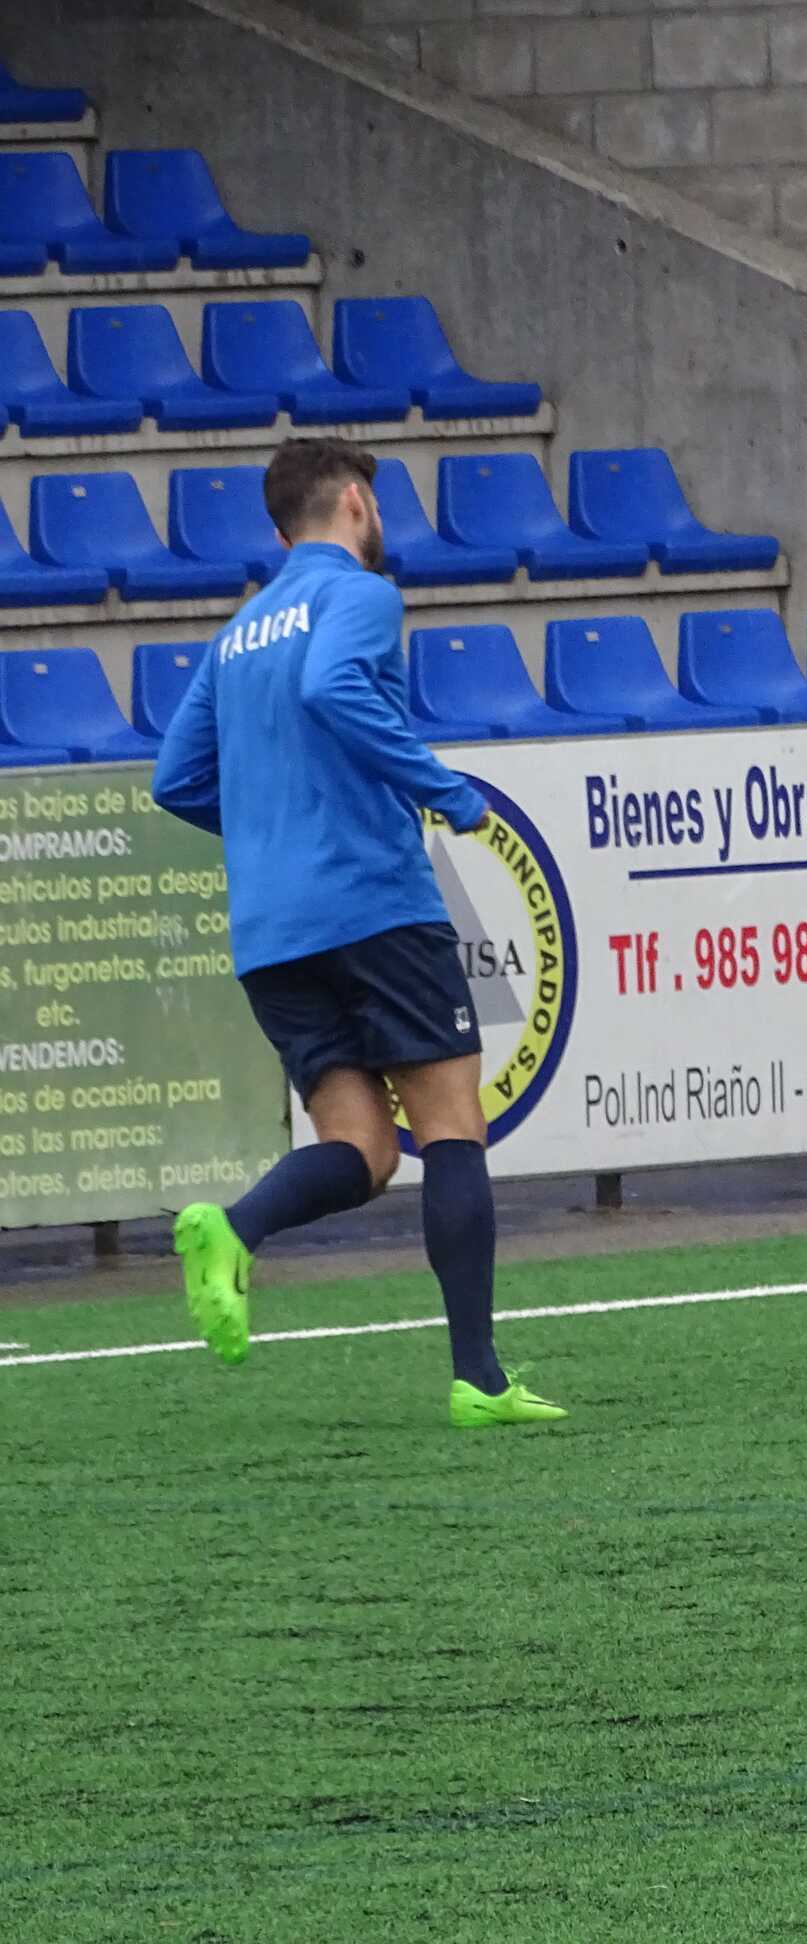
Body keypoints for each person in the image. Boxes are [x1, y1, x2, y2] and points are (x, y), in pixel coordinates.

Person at [149, 437, 563, 1429]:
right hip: (375, 905)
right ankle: (479, 1379)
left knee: (363, 1147)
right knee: (450, 1123)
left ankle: (235, 1228)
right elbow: (332, 688)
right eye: (375, 501)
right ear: (353, 506)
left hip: (272, 932)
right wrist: (440, 789)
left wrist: (269, 829)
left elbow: (174, 780)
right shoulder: (363, 596)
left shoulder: (237, 634)